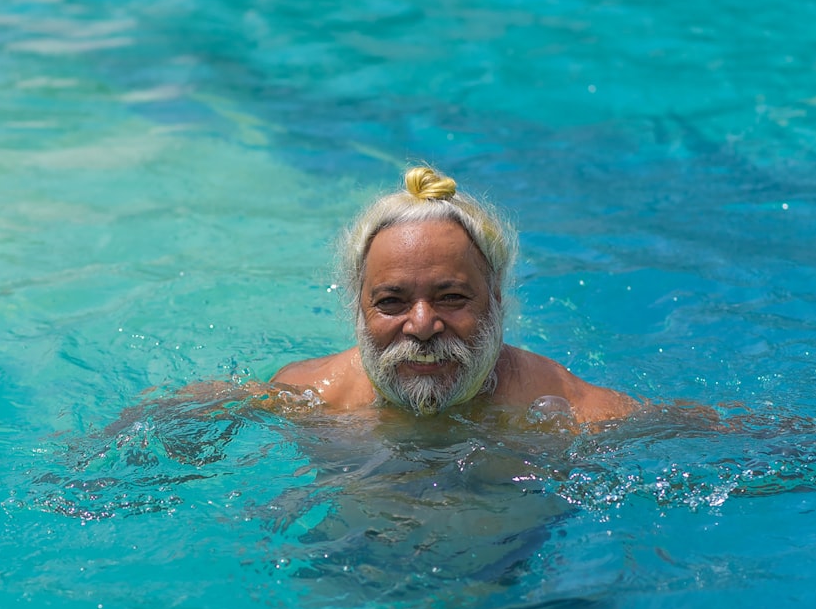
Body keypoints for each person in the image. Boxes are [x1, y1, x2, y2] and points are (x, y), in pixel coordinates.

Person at [270, 165, 641, 426]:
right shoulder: (312, 399)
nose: (422, 326)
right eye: (390, 302)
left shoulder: (579, 416)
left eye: (450, 297)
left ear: (495, 297)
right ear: (358, 309)